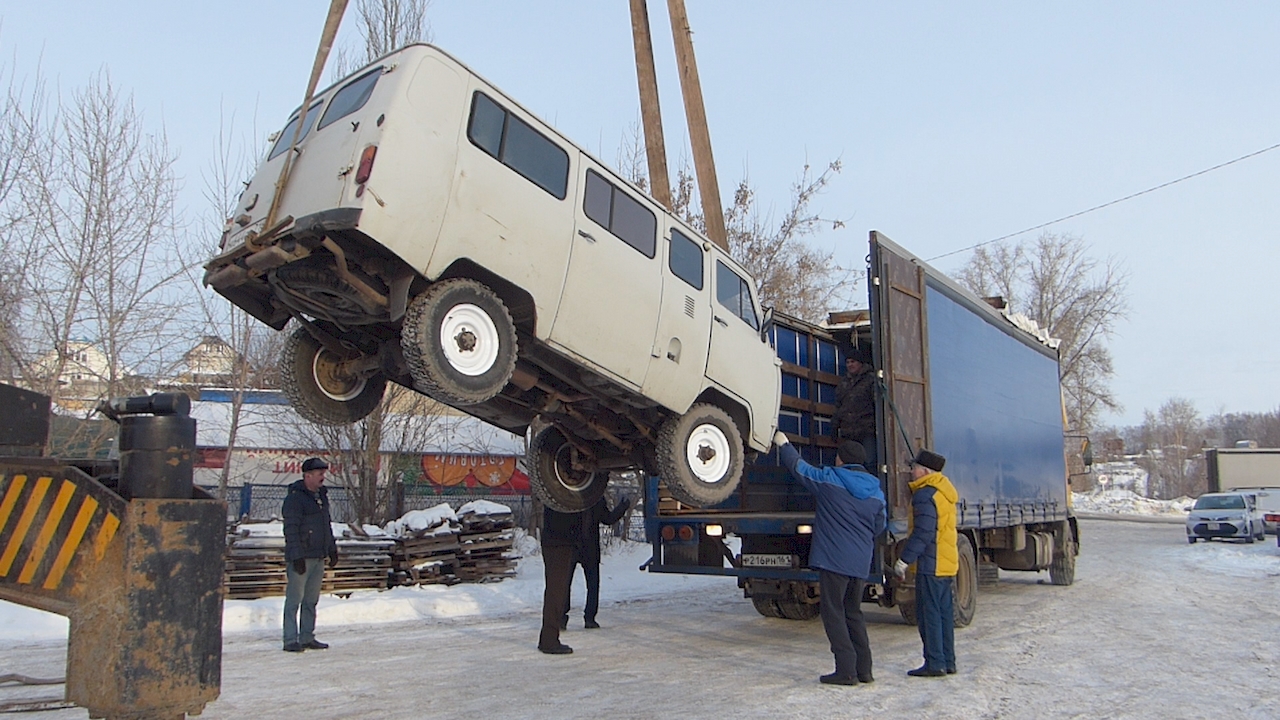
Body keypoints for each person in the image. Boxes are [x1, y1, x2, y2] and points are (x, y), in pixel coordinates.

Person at [774, 431, 886, 686]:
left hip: (834, 561)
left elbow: (800, 469)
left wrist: (784, 444)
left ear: (840, 460)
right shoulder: (876, 492)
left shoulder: (830, 480)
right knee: (853, 613)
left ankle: (846, 670)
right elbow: (879, 526)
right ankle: (864, 669)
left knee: (833, 614)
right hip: (859, 563)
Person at [893, 449, 959, 677]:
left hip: (931, 564)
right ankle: (948, 660)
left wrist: (904, 561)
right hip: (946, 564)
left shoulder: (924, 495)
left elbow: (923, 533)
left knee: (928, 615)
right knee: (943, 614)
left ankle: (934, 663)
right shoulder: (944, 491)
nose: (911, 472)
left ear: (925, 471)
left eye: (914, 468)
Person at [281, 457, 339, 653]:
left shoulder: (321, 497)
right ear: (308, 476)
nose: (324, 477)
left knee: (311, 600)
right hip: (301, 557)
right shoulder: (295, 499)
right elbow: (291, 529)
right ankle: (290, 639)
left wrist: (331, 548)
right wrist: (296, 555)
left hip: (318, 555)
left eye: (324, 473)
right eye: (320, 474)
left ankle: (307, 636)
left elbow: (326, 526)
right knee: (294, 599)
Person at [561, 494, 632, 630]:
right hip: (590, 547)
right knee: (592, 586)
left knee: (565, 584)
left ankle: (562, 619)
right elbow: (608, 519)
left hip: (573, 546)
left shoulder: (569, 497)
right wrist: (622, 507)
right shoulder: (595, 498)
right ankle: (589, 619)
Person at [537, 502, 582, 654]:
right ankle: (549, 640)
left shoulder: (552, 490)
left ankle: (548, 638)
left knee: (555, 590)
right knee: (556, 592)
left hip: (555, 540)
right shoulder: (563, 494)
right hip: (560, 541)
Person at [831, 345, 877, 470]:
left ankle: (869, 488)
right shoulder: (843, 383)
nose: (850, 365)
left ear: (860, 363)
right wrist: (834, 426)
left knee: (869, 463)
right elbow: (838, 407)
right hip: (848, 432)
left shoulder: (871, 380)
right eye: (847, 362)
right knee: (847, 465)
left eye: (853, 362)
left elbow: (878, 405)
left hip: (866, 430)